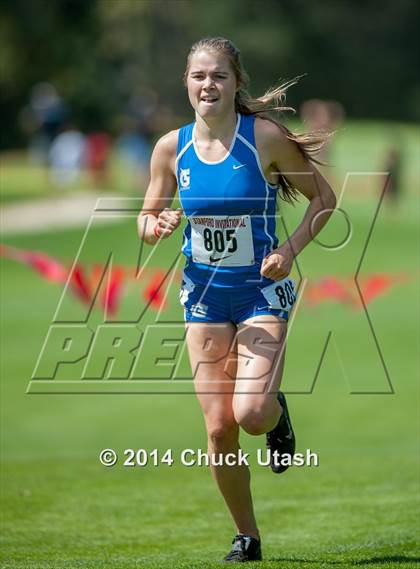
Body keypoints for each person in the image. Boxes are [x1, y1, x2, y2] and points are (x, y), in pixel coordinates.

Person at [137, 37, 336, 563]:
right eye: (199, 76)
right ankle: (246, 537)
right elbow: (145, 217)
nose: (209, 85)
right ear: (186, 82)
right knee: (219, 426)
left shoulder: (264, 138)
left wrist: (290, 251)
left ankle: (276, 413)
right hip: (202, 296)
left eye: (219, 76)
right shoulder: (168, 148)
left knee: (250, 413)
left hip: (260, 293)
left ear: (236, 83)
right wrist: (154, 224)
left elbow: (324, 200)